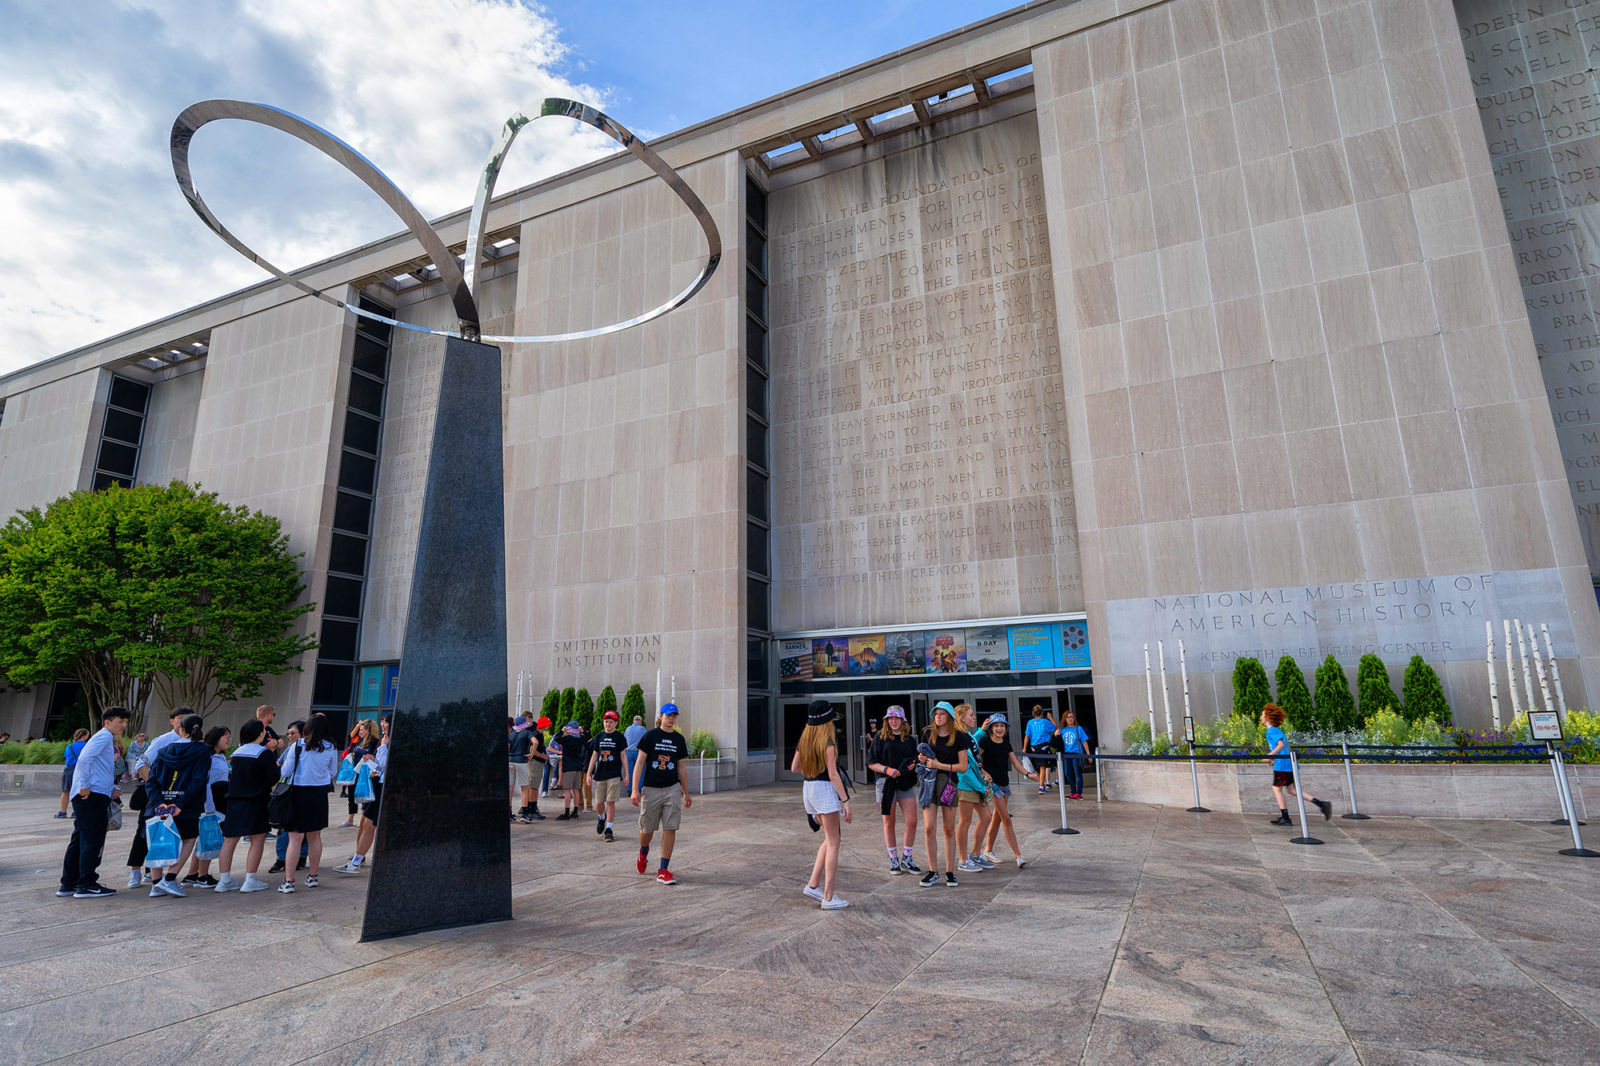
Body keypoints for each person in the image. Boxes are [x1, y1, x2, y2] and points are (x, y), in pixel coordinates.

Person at [56, 707, 130, 898]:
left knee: (80, 839)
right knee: (92, 840)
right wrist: (84, 786)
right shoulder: (104, 737)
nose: (123, 725)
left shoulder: (103, 737)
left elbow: (97, 766)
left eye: (125, 721)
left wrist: (109, 788)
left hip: (94, 794)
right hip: (92, 796)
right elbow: (85, 760)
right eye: (119, 721)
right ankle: (86, 884)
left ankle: (69, 883)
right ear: (107, 722)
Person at [143, 714, 212, 898]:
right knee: (188, 839)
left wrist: (159, 803)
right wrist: (180, 803)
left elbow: (152, 781)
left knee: (158, 840)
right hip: (187, 805)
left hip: (159, 804)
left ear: (181, 729)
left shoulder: (164, 750)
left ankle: (156, 884)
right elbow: (198, 780)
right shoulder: (203, 750)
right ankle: (170, 878)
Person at [126, 707, 193, 888]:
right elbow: (142, 764)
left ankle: (154, 872)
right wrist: (155, 789)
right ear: (172, 721)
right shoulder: (163, 740)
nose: (183, 721)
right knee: (145, 834)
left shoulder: (192, 742)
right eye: (180, 718)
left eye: (187, 718)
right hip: (156, 797)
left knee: (169, 834)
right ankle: (135, 872)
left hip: (177, 798)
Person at [631, 703, 691, 884]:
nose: (671, 718)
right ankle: (643, 851)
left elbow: (681, 768)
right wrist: (635, 789)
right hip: (651, 789)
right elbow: (640, 763)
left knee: (670, 826)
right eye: (668, 715)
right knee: (646, 830)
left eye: (674, 715)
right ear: (661, 716)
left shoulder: (679, 740)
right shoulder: (650, 736)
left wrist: (686, 793)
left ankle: (663, 869)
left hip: (672, 788)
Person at [214, 719, 277, 892]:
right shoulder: (263, 753)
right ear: (260, 734)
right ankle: (250, 879)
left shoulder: (237, 753)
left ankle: (224, 880)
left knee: (230, 839)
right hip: (256, 801)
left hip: (234, 801)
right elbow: (273, 777)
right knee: (257, 839)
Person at [277, 712, 338, 892]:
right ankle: (313, 876)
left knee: (295, 838)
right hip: (318, 793)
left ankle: (289, 881)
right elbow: (333, 772)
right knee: (315, 836)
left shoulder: (298, 745)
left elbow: (286, 771)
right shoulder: (331, 747)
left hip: (298, 792)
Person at [916, 701, 967, 888]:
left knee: (948, 828)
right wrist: (922, 759)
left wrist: (939, 765)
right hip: (929, 783)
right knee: (929, 827)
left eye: (942, 714)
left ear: (949, 717)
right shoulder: (928, 733)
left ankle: (950, 872)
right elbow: (923, 758)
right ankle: (932, 871)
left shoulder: (959, 737)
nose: (938, 717)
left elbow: (963, 767)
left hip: (949, 783)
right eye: (936, 714)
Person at [977, 714, 1036, 867]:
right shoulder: (985, 741)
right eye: (996, 725)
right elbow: (974, 758)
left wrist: (1028, 774)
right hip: (993, 786)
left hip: (1005, 785)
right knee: (1006, 819)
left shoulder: (1006, 744)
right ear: (991, 728)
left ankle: (988, 850)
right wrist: (983, 773)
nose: (999, 728)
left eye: (1002, 726)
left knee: (997, 818)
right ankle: (1018, 855)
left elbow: (1016, 763)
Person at [866, 706, 919, 874]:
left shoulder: (910, 740)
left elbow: (915, 760)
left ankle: (907, 857)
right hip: (885, 782)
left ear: (903, 720)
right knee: (889, 822)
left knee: (912, 820)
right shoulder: (879, 738)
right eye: (890, 718)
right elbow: (871, 763)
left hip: (904, 781)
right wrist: (887, 769)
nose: (893, 721)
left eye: (897, 718)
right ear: (886, 721)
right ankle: (893, 859)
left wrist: (913, 764)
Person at [337, 714, 390, 874]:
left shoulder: (384, 742)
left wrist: (375, 764)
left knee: (369, 825)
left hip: (380, 787)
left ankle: (356, 861)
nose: (383, 725)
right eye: (382, 723)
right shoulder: (383, 740)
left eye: (386, 723)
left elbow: (383, 768)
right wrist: (373, 762)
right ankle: (356, 859)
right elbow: (380, 767)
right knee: (367, 823)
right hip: (375, 784)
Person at [1262, 703, 1331, 825]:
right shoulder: (1277, 730)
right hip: (1288, 764)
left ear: (1267, 717)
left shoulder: (1271, 731)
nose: (1260, 717)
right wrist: (1274, 758)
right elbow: (1286, 746)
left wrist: (1270, 756)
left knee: (1276, 788)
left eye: (1262, 714)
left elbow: (1281, 745)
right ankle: (1321, 804)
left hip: (1282, 765)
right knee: (1291, 790)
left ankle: (1285, 818)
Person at [180, 725, 231, 886]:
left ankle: (192, 874)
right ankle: (202, 876)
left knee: (204, 840)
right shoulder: (206, 756)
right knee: (207, 839)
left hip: (219, 803)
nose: (229, 739)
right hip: (208, 804)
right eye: (225, 736)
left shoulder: (221, 757)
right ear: (215, 738)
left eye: (229, 736)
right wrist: (207, 806)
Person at [953, 704, 993, 875]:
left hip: (977, 782)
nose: (974, 718)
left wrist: (982, 731)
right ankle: (963, 859)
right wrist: (980, 787)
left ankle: (975, 854)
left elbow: (973, 749)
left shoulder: (968, 735)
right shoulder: (955, 737)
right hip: (965, 785)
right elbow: (964, 769)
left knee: (986, 817)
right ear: (962, 718)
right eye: (971, 715)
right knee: (965, 821)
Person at [586, 710, 627, 841]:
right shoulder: (599, 737)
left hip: (614, 774)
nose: (608, 724)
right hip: (600, 774)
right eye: (606, 721)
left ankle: (609, 828)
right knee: (599, 803)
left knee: (610, 802)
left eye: (611, 722)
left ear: (616, 723)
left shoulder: (619, 737)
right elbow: (594, 756)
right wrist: (588, 774)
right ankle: (601, 818)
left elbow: (623, 756)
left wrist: (627, 774)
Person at [337, 719, 376, 828]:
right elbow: (353, 743)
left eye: (362, 730)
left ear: (368, 730)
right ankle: (350, 819)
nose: (360, 732)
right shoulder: (360, 740)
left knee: (363, 794)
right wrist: (353, 755)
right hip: (355, 770)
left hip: (365, 772)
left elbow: (373, 757)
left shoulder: (374, 742)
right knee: (351, 795)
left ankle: (362, 819)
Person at [554, 721, 587, 819]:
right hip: (578, 766)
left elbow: (556, 738)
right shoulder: (581, 738)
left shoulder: (567, 739)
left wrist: (561, 730)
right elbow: (588, 736)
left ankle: (567, 812)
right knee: (576, 790)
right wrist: (583, 730)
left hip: (568, 767)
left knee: (567, 790)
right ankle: (575, 811)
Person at [57, 728, 91, 818]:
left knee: (66, 791)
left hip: (69, 770)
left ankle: (62, 812)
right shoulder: (87, 745)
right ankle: (76, 811)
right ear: (84, 736)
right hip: (81, 769)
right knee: (79, 791)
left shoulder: (70, 746)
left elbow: (66, 757)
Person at [1023, 704, 1056, 794]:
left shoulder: (1030, 722)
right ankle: (1041, 786)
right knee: (1043, 767)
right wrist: (1050, 718)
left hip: (1033, 747)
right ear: (1042, 713)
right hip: (1044, 747)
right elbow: (1055, 728)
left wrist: (1024, 748)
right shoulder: (1045, 721)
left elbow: (1027, 736)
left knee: (1039, 767)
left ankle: (1042, 783)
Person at [1058, 709, 1091, 799]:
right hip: (1066, 754)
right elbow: (1057, 741)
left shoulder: (1078, 728)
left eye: (1072, 717)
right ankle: (1072, 792)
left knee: (1077, 773)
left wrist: (1088, 754)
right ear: (1065, 718)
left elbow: (1084, 741)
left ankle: (1079, 793)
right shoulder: (1063, 729)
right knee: (1067, 773)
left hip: (1077, 754)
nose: (1070, 719)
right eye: (1068, 717)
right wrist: (1056, 735)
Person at [508, 716, 535, 822]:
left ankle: (509, 812)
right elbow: (535, 742)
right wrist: (531, 754)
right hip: (521, 760)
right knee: (524, 788)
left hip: (511, 761)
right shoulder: (527, 733)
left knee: (510, 787)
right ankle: (524, 814)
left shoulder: (511, 734)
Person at [624, 713, 646, 793]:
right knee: (640, 770)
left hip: (628, 752)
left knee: (629, 771)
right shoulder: (642, 729)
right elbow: (645, 740)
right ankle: (638, 789)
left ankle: (629, 790)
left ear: (633, 721)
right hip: (638, 752)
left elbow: (624, 740)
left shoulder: (628, 729)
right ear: (640, 721)